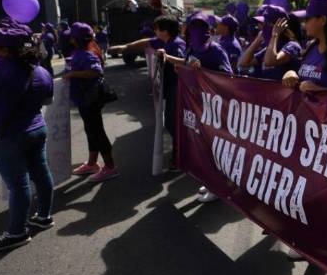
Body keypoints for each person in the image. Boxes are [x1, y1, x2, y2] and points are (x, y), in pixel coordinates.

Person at [0, 21, 55, 254]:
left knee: (18, 185)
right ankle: (44, 216)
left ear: (9, 51)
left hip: (8, 137)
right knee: (41, 173)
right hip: (37, 129)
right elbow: (47, 101)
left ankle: (17, 233)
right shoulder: (41, 71)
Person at [158, 12, 232, 202]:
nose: (196, 30)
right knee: (202, 146)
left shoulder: (215, 49)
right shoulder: (192, 47)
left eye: (200, 26)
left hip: (213, 107)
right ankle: (210, 181)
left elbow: (229, 75)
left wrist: (204, 71)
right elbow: (186, 62)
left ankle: (218, 186)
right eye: (193, 26)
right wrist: (173, 61)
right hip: (197, 105)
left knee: (214, 147)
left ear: (208, 29)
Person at [110, 16, 186, 170]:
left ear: (164, 31)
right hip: (168, 89)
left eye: (157, 28)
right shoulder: (163, 41)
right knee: (170, 123)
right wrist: (125, 47)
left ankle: (180, 156)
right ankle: (179, 154)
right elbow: (145, 42)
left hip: (177, 89)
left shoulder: (177, 45)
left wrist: (167, 59)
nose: (155, 31)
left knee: (173, 123)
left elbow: (183, 63)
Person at [66, 22, 119, 182]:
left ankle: (110, 168)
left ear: (76, 39)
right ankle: (92, 163)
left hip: (90, 100)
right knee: (91, 131)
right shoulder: (82, 51)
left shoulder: (87, 54)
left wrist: (73, 74)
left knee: (97, 132)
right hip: (84, 100)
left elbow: (96, 71)